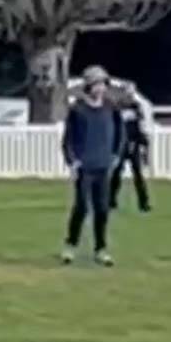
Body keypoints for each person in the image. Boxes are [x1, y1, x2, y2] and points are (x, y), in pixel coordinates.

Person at [60, 65, 124, 267]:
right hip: (84, 167)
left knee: (102, 208)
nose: (101, 88)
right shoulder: (78, 109)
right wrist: (73, 162)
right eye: (97, 84)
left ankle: (101, 248)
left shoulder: (110, 107)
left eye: (103, 84)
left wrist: (115, 156)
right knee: (81, 207)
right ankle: (71, 244)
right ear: (89, 86)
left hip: (104, 166)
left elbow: (120, 134)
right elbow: (67, 140)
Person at [109, 82, 152, 213]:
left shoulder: (136, 107)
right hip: (121, 144)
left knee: (138, 175)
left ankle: (143, 203)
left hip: (134, 144)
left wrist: (142, 142)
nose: (130, 95)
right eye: (128, 92)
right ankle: (110, 201)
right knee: (116, 174)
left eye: (131, 92)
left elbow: (140, 126)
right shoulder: (117, 107)